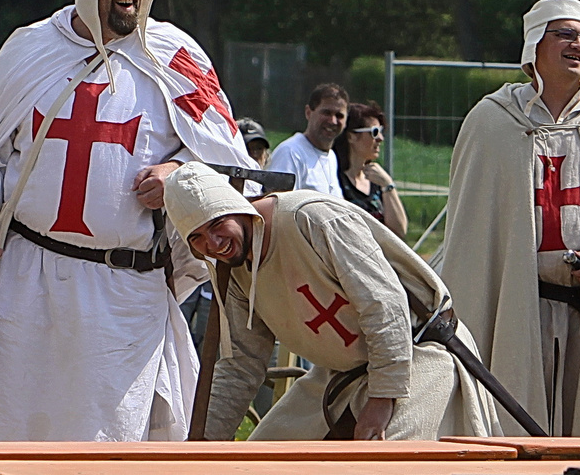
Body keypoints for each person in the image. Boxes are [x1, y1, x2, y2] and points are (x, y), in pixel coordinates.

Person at [0, 0, 252, 441]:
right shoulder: (31, 48)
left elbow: (227, 155)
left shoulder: (176, 56)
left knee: (110, 442)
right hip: (26, 281)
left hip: (123, 292)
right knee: (11, 429)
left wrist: (177, 175)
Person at [435, 0, 580, 436]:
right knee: (515, 422)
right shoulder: (491, 121)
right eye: (566, 35)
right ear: (535, 43)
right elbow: (472, 232)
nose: (579, 46)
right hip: (514, 303)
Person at [172, 163, 498, 440]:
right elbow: (241, 364)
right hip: (341, 374)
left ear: (237, 207)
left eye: (217, 225)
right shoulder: (234, 268)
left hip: (415, 356)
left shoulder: (311, 219)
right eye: (197, 238)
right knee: (262, 459)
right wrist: (202, 446)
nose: (212, 243)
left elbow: (384, 303)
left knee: (388, 466)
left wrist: (383, 398)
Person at [334, 102, 406, 238]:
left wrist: (388, 186)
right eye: (374, 132)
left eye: (381, 131)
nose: (380, 138)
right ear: (351, 136)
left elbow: (399, 231)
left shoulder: (377, 179)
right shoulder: (336, 181)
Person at [267, 85, 349, 195]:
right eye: (326, 113)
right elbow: (277, 205)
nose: (333, 121)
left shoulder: (331, 157)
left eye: (339, 116)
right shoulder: (290, 152)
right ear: (308, 112)